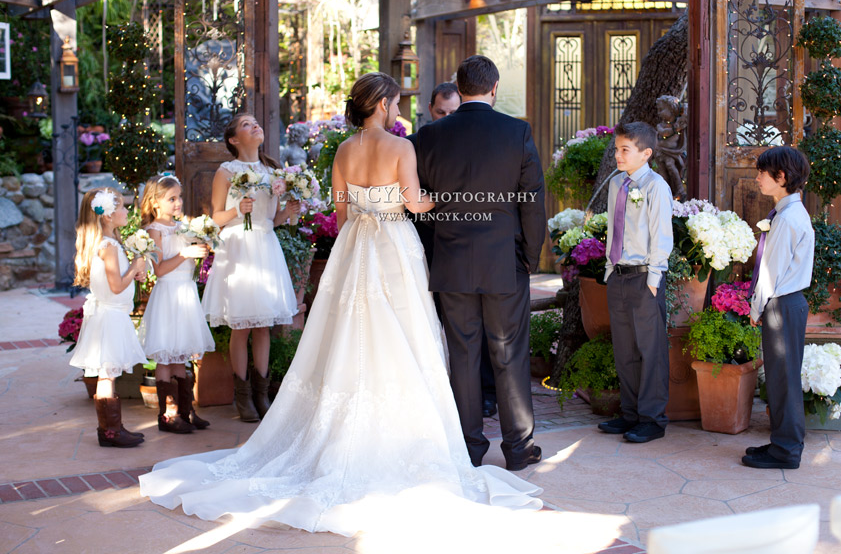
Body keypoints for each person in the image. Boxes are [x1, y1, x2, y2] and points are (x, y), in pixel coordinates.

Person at [139, 72, 543, 535]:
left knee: (350, 334)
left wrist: (369, 211)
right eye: (393, 101)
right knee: (403, 335)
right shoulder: (402, 147)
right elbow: (414, 203)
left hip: (355, 247)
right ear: (383, 105)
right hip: (393, 244)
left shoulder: (344, 151)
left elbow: (342, 212)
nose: (397, 109)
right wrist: (452, 199)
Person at [413, 55, 547, 470]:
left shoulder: (429, 136)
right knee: (509, 354)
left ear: (459, 85)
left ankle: (470, 447)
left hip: (451, 260)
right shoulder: (516, 131)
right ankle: (518, 448)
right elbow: (533, 202)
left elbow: (419, 202)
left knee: (463, 355)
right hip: (503, 261)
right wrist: (529, 256)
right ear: (494, 88)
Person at [200, 113, 301, 423]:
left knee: (263, 325)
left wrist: (289, 211)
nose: (255, 125)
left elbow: (271, 219)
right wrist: (236, 209)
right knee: (241, 325)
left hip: (265, 246)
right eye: (246, 124)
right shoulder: (226, 172)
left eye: (256, 122)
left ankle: (262, 393)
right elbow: (214, 217)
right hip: (239, 249)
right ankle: (242, 397)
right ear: (234, 139)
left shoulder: (271, 172)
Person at [409, 82, 498, 419]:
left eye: (451, 111)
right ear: (429, 110)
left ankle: (485, 393)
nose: (444, 117)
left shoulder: (472, 140)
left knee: (477, 325)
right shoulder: (414, 144)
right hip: (424, 246)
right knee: (433, 323)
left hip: (467, 249)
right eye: (439, 111)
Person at [599, 121, 673, 444]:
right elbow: (613, 231)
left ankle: (652, 419)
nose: (618, 155)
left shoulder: (656, 187)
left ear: (645, 154)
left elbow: (661, 235)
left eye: (624, 150)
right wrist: (608, 269)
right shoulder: (617, 184)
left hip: (646, 278)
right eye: (616, 149)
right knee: (624, 350)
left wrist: (654, 278)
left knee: (650, 349)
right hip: (619, 276)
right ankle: (629, 413)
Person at [743, 146, 814, 470]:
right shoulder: (789, 214)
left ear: (781, 177)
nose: (757, 177)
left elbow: (772, 273)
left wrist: (756, 309)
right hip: (788, 303)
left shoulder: (787, 219)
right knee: (780, 378)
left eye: (762, 172)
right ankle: (782, 443)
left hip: (783, 303)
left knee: (783, 379)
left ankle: (786, 450)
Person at [69, 188, 148, 448]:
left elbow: (116, 282)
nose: (127, 211)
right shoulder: (109, 246)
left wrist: (134, 272)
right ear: (108, 216)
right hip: (111, 316)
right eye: (123, 207)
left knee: (107, 374)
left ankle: (111, 428)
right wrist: (135, 267)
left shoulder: (105, 243)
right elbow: (116, 286)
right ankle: (110, 431)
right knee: (108, 374)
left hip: (109, 314)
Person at [138, 175, 214, 434]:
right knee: (166, 355)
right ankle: (167, 414)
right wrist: (185, 254)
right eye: (171, 199)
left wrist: (202, 249)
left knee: (181, 353)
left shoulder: (183, 226)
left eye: (179, 197)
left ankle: (186, 409)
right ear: (155, 202)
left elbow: (191, 259)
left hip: (186, 293)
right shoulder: (154, 230)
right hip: (169, 294)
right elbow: (159, 270)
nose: (178, 202)